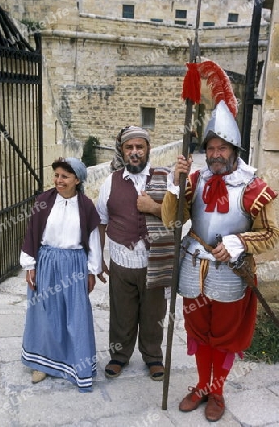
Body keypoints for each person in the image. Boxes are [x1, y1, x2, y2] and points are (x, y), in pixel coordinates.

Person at [161, 100, 279, 422]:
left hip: (231, 273)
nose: (215, 153)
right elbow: (172, 221)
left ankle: (217, 390)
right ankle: (200, 385)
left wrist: (239, 241)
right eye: (211, 147)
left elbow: (271, 234)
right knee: (198, 331)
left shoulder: (254, 187)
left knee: (224, 336)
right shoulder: (195, 179)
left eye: (222, 147)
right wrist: (175, 184)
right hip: (193, 266)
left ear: (234, 150)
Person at [96, 125, 175, 381]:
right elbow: (101, 221)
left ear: (148, 149)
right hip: (121, 260)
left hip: (155, 261)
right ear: (122, 150)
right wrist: (98, 257)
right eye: (129, 147)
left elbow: (178, 216)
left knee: (154, 313)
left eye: (139, 147)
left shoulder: (166, 178)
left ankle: (153, 356)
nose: (134, 152)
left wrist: (153, 207)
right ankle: (119, 356)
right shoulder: (111, 181)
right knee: (122, 311)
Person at [20, 157, 104, 393]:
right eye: (56, 175)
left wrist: (91, 271)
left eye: (64, 176)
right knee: (44, 313)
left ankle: (77, 365)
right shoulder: (44, 201)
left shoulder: (86, 206)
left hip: (74, 265)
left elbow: (94, 240)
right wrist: (30, 265)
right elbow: (32, 233)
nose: (59, 180)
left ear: (77, 180)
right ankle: (41, 363)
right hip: (46, 261)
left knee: (75, 315)